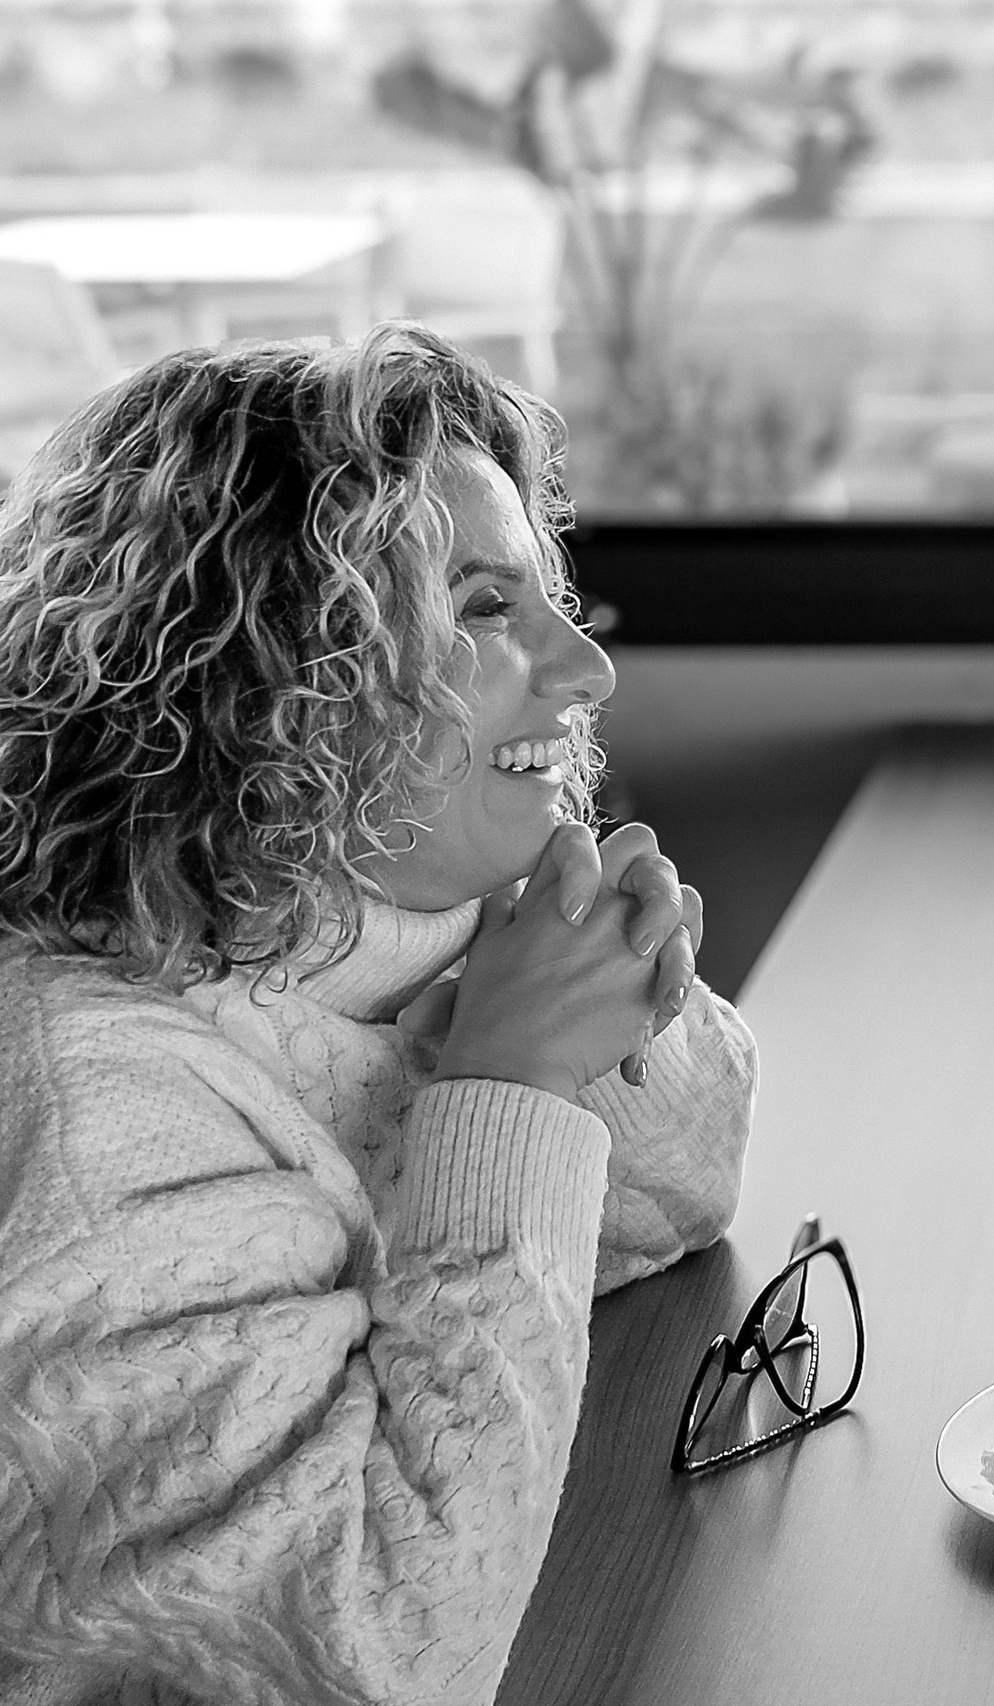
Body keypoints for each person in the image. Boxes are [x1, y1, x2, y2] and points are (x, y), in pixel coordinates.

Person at [0, 326, 756, 1705]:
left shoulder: (413, 902)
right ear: (277, 679)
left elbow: (692, 1189)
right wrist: (513, 1079)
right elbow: (367, 1651)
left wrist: (591, 984)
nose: (584, 669)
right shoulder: (95, 1110)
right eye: (483, 609)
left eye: (548, 595)